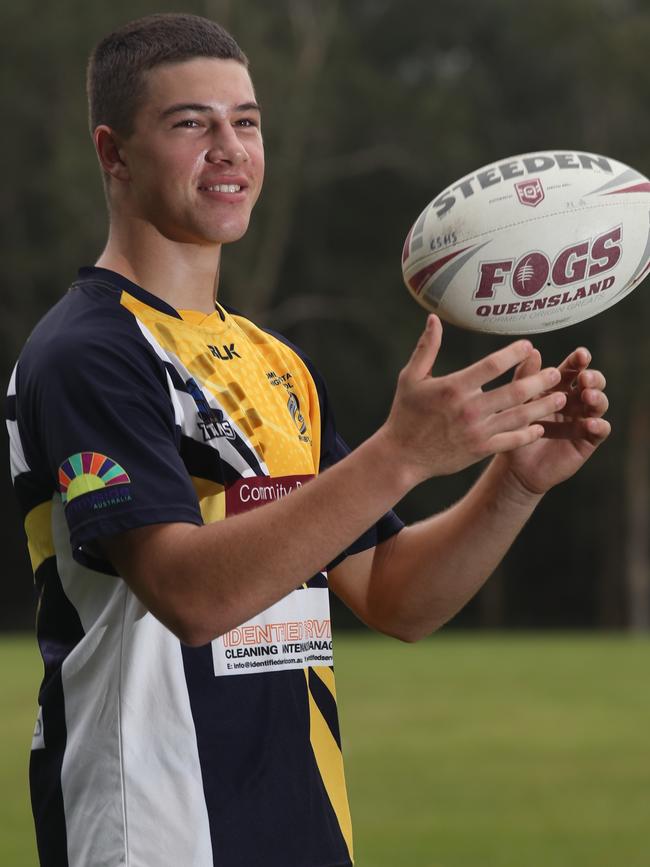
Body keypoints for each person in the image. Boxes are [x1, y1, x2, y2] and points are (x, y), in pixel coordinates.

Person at [5, 12, 610, 867]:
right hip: (153, 829)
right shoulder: (87, 354)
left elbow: (393, 596)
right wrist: (400, 454)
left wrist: (513, 482)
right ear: (114, 153)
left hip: (301, 823)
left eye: (246, 121)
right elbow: (189, 595)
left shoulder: (275, 364)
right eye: (191, 124)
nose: (231, 148)